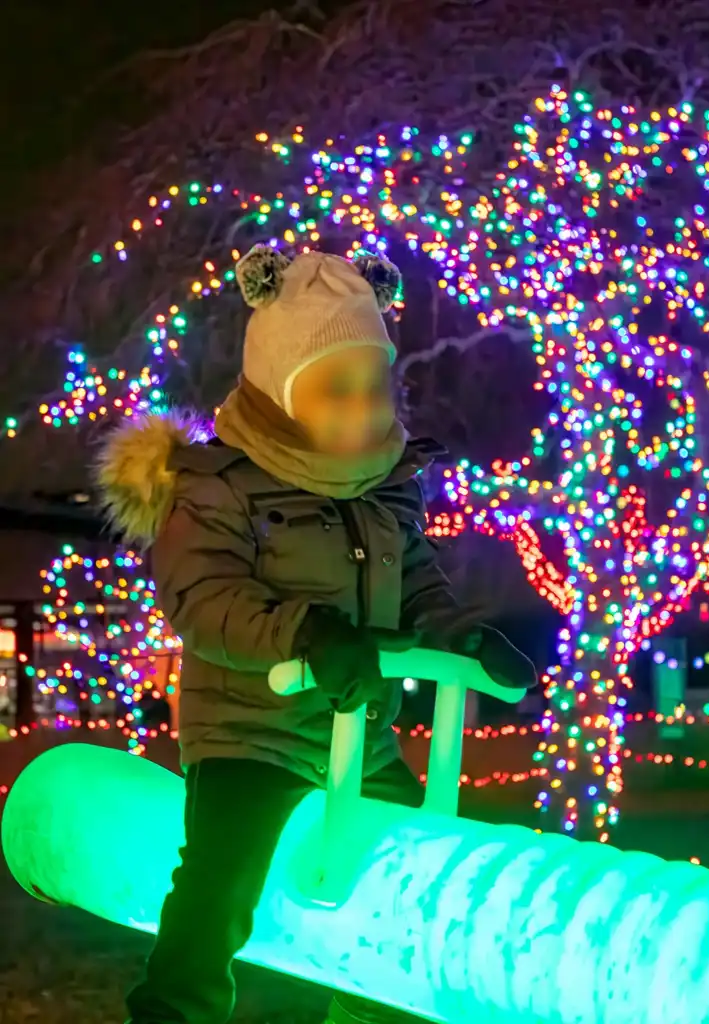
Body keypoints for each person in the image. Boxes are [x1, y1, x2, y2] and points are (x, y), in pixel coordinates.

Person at [96, 244, 537, 1024]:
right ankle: (174, 1008)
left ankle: (377, 1011)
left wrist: (461, 637)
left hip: (358, 739)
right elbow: (207, 602)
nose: (362, 409)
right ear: (279, 391)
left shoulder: (387, 489)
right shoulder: (215, 489)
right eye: (335, 389)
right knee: (220, 887)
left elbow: (416, 588)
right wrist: (307, 634)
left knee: (414, 887)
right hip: (250, 736)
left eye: (374, 386)